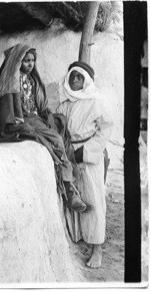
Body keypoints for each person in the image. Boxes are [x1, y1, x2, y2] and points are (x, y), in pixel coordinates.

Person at [0, 44, 87, 212]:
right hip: (25, 118)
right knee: (54, 139)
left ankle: (72, 180)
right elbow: (8, 109)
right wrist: (16, 121)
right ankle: (68, 187)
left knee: (60, 124)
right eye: (26, 61)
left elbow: (40, 103)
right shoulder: (12, 81)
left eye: (32, 60)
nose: (30, 64)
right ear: (17, 62)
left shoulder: (33, 79)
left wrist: (45, 113)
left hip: (37, 117)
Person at [56, 61, 113, 269]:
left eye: (80, 77)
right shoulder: (64, 103)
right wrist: (68, 154)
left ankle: (96, 248)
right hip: (69, 155)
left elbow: (105, 130)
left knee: (92, 198)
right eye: (73, 77)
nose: (76, 81)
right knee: (74, 197)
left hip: (88, 156)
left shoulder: (96, 103)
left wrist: (86, 152)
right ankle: (81, 237)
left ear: (87, 80)